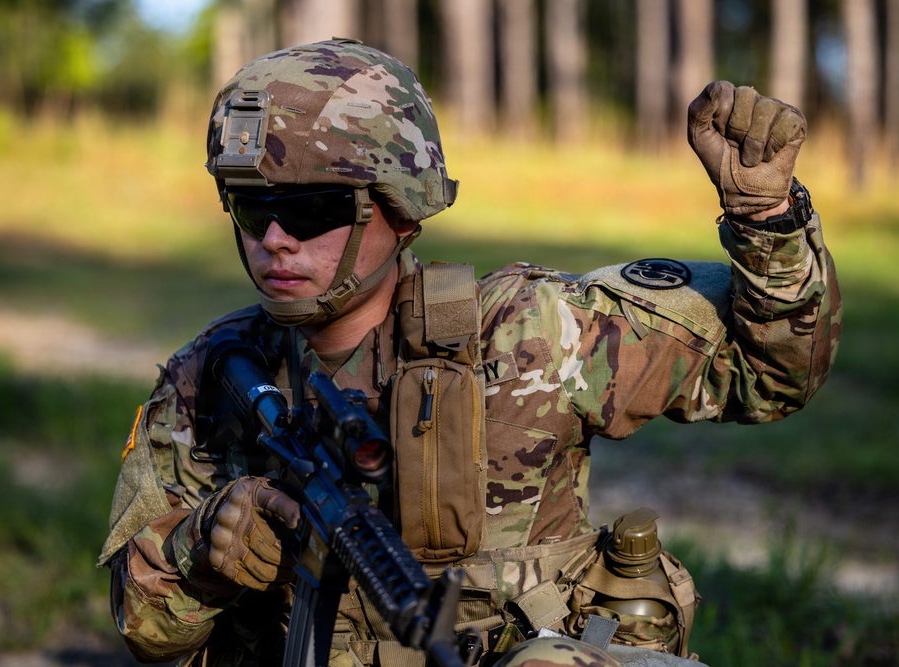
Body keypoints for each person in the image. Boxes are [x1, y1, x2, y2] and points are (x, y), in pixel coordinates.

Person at [99, 39, 841, 667]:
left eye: (311, 209)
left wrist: (766, 217)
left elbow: (771, 373)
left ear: (401, 206)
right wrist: (205, 545)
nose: (275, 241)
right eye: (252, 208)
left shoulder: (530, 333)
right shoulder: (213, 377)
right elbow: (143, 627)